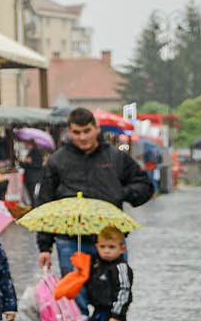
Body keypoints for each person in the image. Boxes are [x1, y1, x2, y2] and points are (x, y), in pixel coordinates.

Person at [35, 108, 154, 276]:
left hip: (110, 239)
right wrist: (44, 247)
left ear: (96, 128)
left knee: (113, 296)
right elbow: (45, 203)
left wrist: (121, 193)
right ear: (69, 131)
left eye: (87, 131)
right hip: (70, 240)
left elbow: (145, 185)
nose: (82, 137)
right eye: (76, 132)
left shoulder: (116, 157)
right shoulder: (57, 161)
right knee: (75, 298)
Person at [83, 227, 135, 321]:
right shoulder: (96, 265)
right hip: (97, 312)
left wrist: (116, 316)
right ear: (97, 247)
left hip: (112, 313)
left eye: (111, 247)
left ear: (122, 249)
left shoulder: (121, 267)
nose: (106, 251)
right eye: (102, 247)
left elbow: (124, 292)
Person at [20, 139, 49, 207]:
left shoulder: (36, 152)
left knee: (33, 195)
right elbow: (25, 166)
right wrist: (23, 162)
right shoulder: (29, 152)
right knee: (30, 195)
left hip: (34, 178)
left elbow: (38, 165)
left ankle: (34, 206)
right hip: (28, 177)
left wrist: (30, 162)